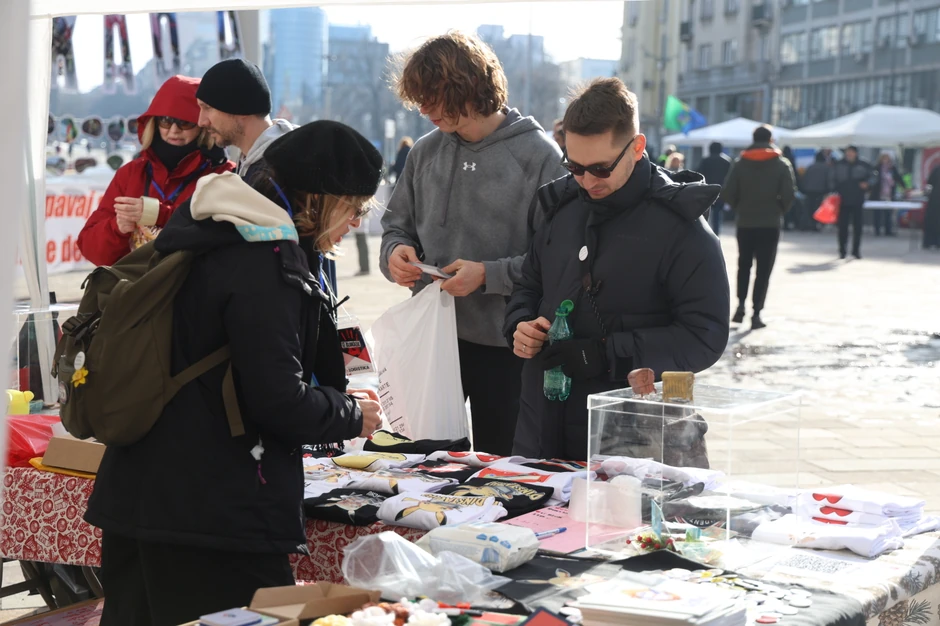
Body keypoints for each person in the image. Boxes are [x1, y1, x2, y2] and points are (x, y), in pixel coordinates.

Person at [85, 121, 385, 626]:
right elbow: (276, 399)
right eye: (354, 208)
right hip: (212, 513)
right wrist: (351, 414)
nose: (356, 223)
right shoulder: (265, 258)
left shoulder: (209, 229)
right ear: (319, 199)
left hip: (141, 491)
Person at [503, 78, 730, 461]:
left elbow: (704, 336)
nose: (587, 181)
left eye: (601, 169)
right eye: (574, 166)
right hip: (542, 423)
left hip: (635, 435)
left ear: (637, 148)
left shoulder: (681, 226)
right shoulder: (560, 207)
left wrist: (605, 354)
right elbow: (529, 283)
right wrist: (520, 323)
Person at [380, 31, 565, 456]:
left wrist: (489, 275)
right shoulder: (424, 152)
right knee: (421, 462)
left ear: (467, 87)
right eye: (418, 99)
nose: (423, 109)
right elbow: (395, 228)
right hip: (431, 341)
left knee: (499, 471)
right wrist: (394, 254)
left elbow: (556, 261)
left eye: (432, 97)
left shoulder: (541, 157)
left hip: (509, 347)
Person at [77, 75, 232, 266]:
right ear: (154, 122)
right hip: (138, 290)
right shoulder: (132, 173)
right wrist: (117, 228)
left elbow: (221, 238)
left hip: (195, 292)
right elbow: (89, 247)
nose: (174, 130)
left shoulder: (223, 174)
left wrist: (160, 215)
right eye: (166, 121)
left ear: (202, 125)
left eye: (185, 122)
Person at [723, 125, 796, 330]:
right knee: (764, 269)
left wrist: (740, 207)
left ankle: (739, 307)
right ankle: (756, 313)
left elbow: (727, 192)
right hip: (770, 224)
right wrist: (777, 210)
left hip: (745, 222)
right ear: (770, 139)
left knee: (744, 265)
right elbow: (789, 194)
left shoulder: (740, 164)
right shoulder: (781, 164)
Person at [194, 58, 297, 181]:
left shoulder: (279, 174)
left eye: (208, 108)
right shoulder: (254, 165)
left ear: (240, 109)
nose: (201, 122)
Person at [833, 145, 874, 259]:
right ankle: (842, 251)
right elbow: (832, 178)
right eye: (847, 152)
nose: (849, 154)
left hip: (857, 199)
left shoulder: (863, 165)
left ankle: (856, 251)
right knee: (842, 227)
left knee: (858, 227)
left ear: (856, 153)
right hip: (842, 200)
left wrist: (868, 184)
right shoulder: (839, 164)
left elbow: (874, 176)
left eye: (851, 152)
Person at [696, 141, 732, 235]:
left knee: (704, 214)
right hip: (720, 191)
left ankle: (704, 233)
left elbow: (699, 175)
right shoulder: (727, 161)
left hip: (706, 191)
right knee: (717, 215)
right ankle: (716, 234)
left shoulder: (705, 160)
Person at [871, 151, 907, 237]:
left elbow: (898, 178)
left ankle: (888, 230)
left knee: (888, 213)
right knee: (877, 213)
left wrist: (904, 187)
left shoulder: (892, 168)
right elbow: (872, 180)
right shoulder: (876, 168)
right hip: (878, 193)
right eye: (884, 157)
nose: (885, 159)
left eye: (887, 158)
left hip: (889, 194)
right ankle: (877, 230)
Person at [800, 151, 832, 231]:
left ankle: (807, 225)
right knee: (817, 209)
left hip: (809, 191)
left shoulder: (810, 167)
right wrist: (828, 190)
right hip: (820, 191)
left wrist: (804, 189)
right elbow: (829, 180)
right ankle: (815, 225)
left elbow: (804, 179)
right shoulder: (826, 168)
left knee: (809, 208)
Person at [925, 165, 940, 250]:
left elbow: (929, 184)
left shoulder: (936, 169)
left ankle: (930, 241)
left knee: (932, 221)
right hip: (935, 199)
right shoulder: (936, 169)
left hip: (934, 199)